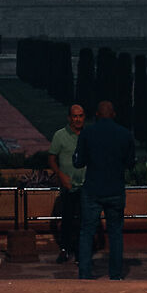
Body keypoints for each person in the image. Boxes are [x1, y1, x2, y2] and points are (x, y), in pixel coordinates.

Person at [73, 99, 136, 278]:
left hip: (92, 189)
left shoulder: (88, 133)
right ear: (114, 115)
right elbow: (130, 163)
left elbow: (78, 162)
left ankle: (84, 274)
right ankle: (115, 274)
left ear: (97, 115)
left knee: (86, 233)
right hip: (115, 189)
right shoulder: (124, 134)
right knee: (115, 233)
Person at [48, 101, 87, 265]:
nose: (77, 120)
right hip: (68, 184)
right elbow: (51, 158)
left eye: (80, 116)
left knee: (84, 220)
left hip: (86, 185)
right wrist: (60, 174)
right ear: (69, 118)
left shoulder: (89, 134)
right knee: (68, 219)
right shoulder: (60, 135)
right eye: (75, 116)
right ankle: (65, 249)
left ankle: (80, 251)